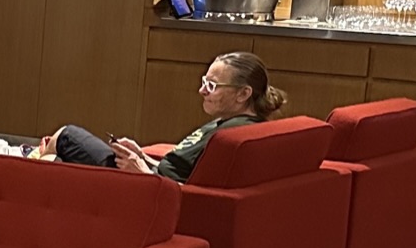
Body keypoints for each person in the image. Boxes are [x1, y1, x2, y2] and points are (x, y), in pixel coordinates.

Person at [44, 51, 286, 182]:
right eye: (204, 82)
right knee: (59, 160)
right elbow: (184, 169)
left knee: (65, 136)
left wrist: (143, 172)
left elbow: (196, 194)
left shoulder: (230, 137)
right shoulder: (236, 123)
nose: (202, 91)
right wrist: (142, 156)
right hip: (150, 174)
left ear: (243, 93)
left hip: (146, 187)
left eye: (212, 86)